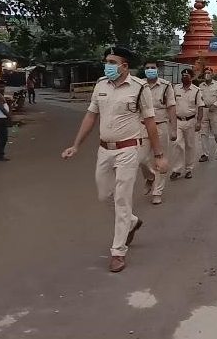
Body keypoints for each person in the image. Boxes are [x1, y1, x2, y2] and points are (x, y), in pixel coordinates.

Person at [61, 47, 168, 273]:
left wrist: (158, 155)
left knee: (121, 200)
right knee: (104, 195)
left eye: (112, 61)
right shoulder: (101, 85)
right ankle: (131, 221)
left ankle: (118, 252)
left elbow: (150, 123)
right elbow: (91, 115)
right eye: (106, 61)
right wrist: (76, 145)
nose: (107, 65)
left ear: (124, 66)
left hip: (128, 150)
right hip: (104, 150)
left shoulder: (139, 88)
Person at [138, 61, 177, 205]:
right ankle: (150, 177)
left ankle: (157, 192)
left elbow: (171, 108)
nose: (149, 70)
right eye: (147, 68)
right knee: (140, 159)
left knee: (160, 160)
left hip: (160, 126)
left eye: (152, 68)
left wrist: (173, 129)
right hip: (142, 127)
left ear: (157, 70)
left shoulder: (166, 86)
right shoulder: (139, 85)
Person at [170, 69, 204, 180]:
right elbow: (171, 104)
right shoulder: (176, 89)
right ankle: (177, 170)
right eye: (183, 75)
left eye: (187, 75)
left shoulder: (197, 90)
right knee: (177, 145)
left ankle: (189, 169)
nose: (184, 77)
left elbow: (200, 107)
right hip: (178, 120)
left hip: (191, 121)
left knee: (190, 146)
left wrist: (199, 122)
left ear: (192, 77)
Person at [198, 67, 217, 161]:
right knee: (203, 134)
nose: (207, 74)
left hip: (214, 111)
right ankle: (205, 154)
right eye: (205, 73)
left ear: (212, 74)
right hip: (204, 111)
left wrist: (215, 104)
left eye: (209, 73)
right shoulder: (200, 86)